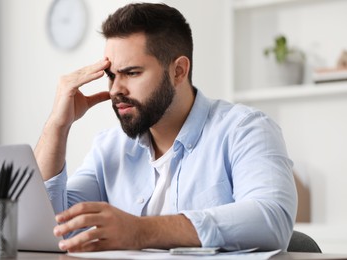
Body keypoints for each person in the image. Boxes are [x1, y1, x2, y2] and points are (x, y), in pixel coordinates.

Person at [34, 2, 297, 253]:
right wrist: (58, 124)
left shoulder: (245, 129)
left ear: (178, 71)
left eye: (132, 73)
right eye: (112, 75)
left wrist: (140, 231)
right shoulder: (108, 147)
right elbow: (54, 229)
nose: (115, 90)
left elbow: (271, 219)